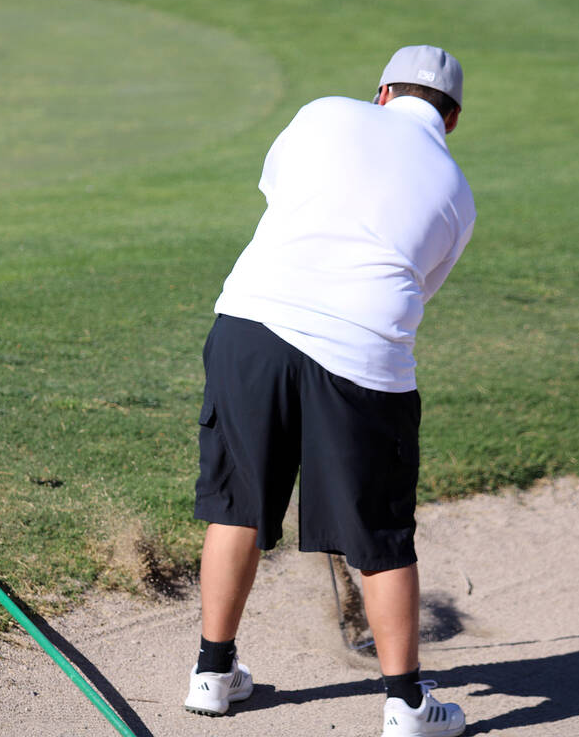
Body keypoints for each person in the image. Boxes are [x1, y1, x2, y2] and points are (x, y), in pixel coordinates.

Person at [183, 45, 476, 737]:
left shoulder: (321, 114)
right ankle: (407, 705)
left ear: (381, 94)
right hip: (361, 352)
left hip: (248, 325)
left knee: (238, 505)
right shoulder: (456, 188)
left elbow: (279, 193)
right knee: (377, 530)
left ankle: (212, 673)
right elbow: (419, 287)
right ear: (453, 119)